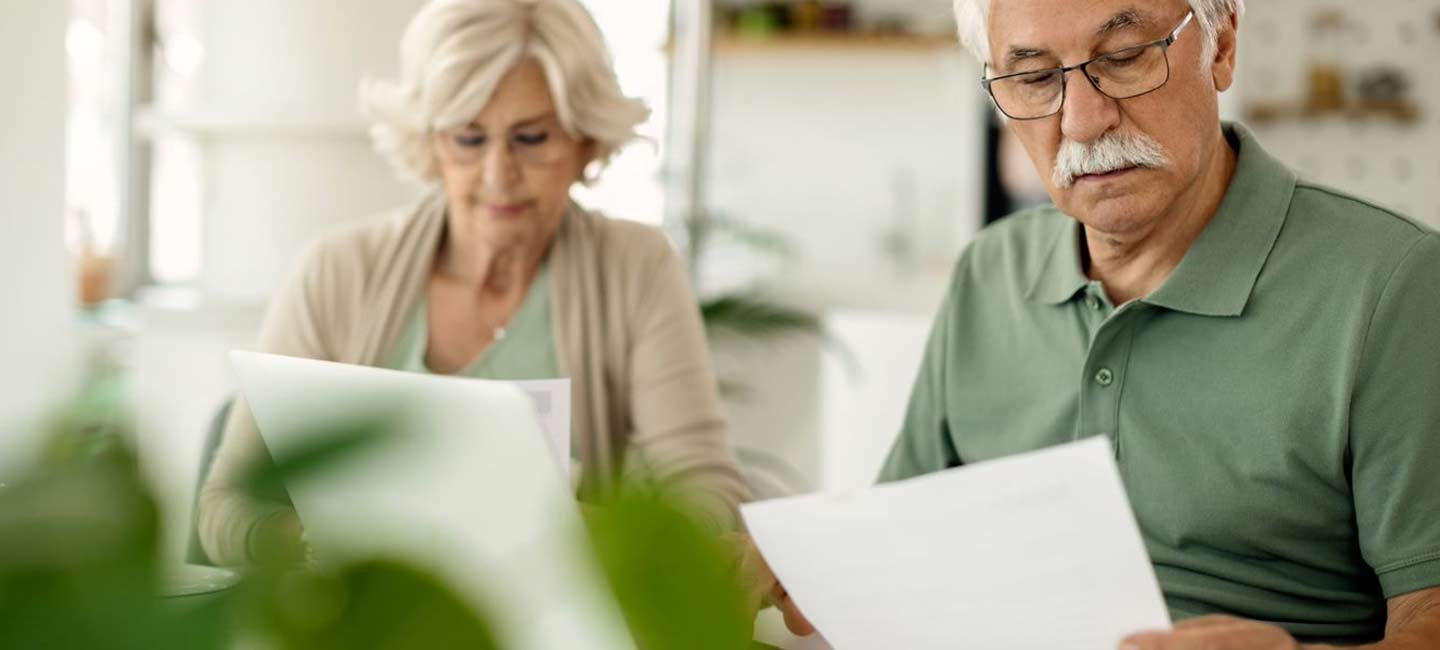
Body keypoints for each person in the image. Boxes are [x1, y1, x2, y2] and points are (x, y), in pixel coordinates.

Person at [755, 0, 1440, 646]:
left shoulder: (1394, 284)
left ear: (1222, 45)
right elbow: (897, 552)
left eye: (1125, 56)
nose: (1083, 121)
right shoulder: (990, 273)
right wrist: (793, 564)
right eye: (1033, 78)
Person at [198, 0, 750, 566]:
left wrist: (608, 539)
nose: (498, 175)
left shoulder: (637, 268)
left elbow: (708, 485)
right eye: (468, 138)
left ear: (585, 140)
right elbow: (226, 504)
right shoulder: (335, 272)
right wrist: (328, 544)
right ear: (431, 143)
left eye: (531, 138)